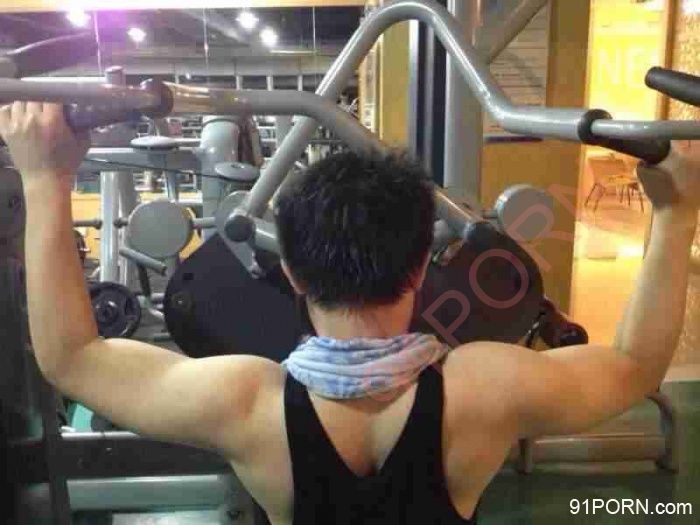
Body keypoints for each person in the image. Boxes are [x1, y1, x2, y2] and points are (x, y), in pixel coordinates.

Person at [0, 102, 698, 525]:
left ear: (293, 273)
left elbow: (73, 358)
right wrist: (675, 214)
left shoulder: (246, 401)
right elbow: (635, 366)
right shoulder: (485, 388)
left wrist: (45, 177)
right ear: (421, 267)